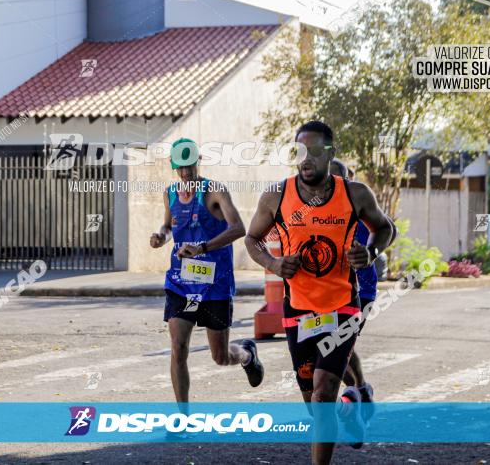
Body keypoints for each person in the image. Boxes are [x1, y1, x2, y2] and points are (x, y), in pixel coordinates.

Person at [244, 122, 394, 465]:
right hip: (298, 311)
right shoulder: (276, 196)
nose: (305, 159)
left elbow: (385, 228)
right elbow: (251, 239)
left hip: (342, 307)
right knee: (316, 406)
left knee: (325, 392)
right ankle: (353, 406)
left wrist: (369, 253)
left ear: (330, 153)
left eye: (313, 151)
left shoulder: (355, 194)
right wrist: (273, 262)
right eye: (299, 151)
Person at [149, 138, 264, 407]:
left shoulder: (214, 192)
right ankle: (183, 416)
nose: (187, 172)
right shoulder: (170, 193)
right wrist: (160, 236)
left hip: (215, 283)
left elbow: (238, 228)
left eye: (191, 166)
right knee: (178, 347)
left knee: (221, 356)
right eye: (181, 168)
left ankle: (246, 354)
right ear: (174, 166)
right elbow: (168, 226)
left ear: (198, 161)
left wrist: (202, 247)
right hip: (180, 282)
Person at [331, 161, 397, 445]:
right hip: (324, 291)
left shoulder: (358, 205)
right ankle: (360, 389)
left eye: (337, 179)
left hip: (362, 291)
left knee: (337, 345)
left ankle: (353, 400)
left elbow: (389, 228)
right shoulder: (315, 210)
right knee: (336, 345)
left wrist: (371, 252)